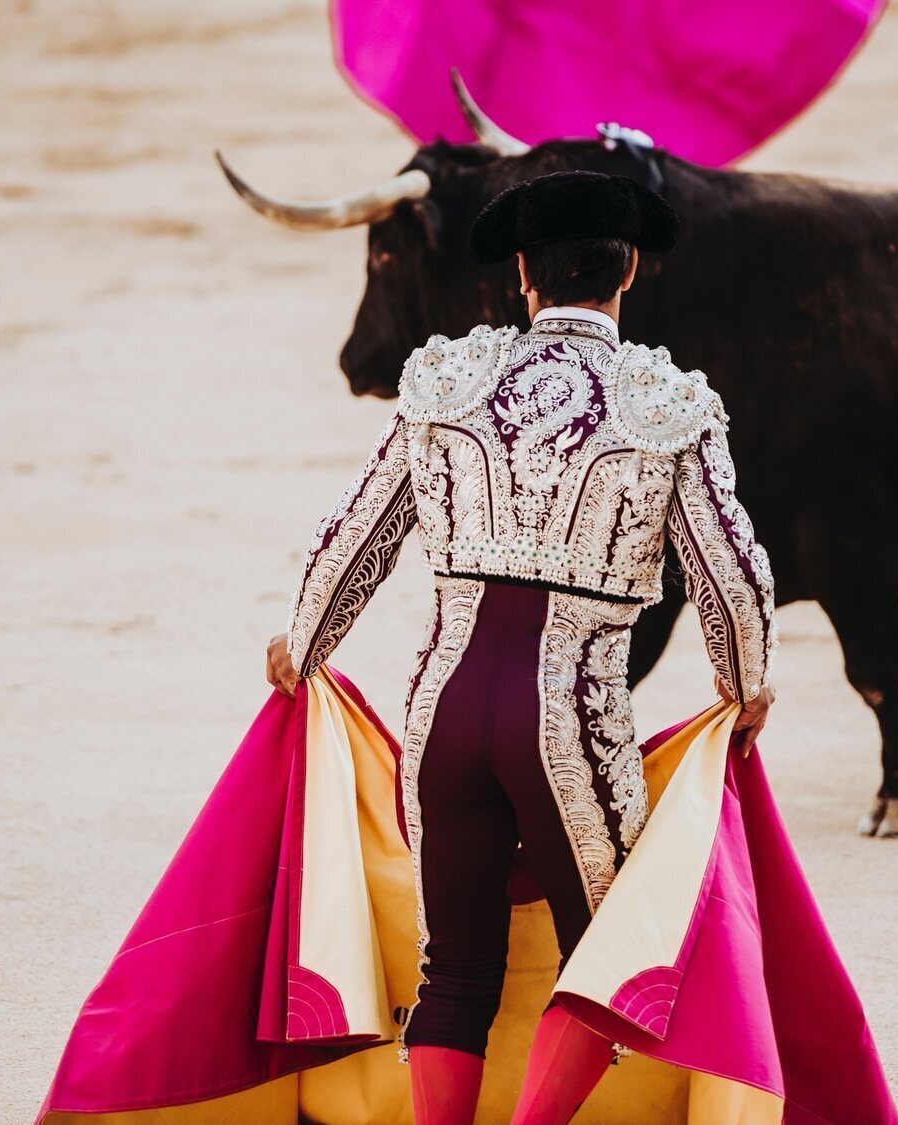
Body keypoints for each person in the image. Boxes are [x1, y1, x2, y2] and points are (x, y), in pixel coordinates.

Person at [264, 170, 777, 1124]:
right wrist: (746, 686)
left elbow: (356, 537)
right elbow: (733, 577)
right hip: (571, 724)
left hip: (444, 713)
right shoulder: (664, 401)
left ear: (521, 276)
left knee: (454, 968)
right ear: (627, 275)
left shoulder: (448, 382)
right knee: (605, 960)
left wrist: (304, 641)